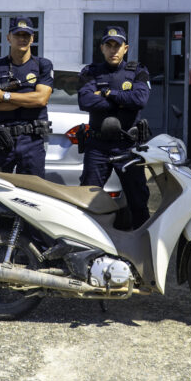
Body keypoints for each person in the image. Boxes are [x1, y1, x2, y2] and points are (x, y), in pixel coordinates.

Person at [78, 25, 151, 229]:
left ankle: (141, 247)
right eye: (108, 45)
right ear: (102, 48)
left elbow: (140, 99)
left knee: (138, 202)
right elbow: (85, 101)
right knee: (86, 201)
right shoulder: (91, 72)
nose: (113, 50)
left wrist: (108, 94)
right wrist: (122, 101)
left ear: (125, 48)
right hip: (97, 146)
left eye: (117, 46)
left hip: (127, 147)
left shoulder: (138, 71)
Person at [0, 16, 53, 177]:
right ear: (8, 38)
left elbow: (41, 99)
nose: (22, 39)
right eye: (18, 35)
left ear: (32, 38)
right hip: (2, 140)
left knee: (33, 194)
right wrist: (29, 99)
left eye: (26, 35)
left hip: (32, 141)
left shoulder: (43, 65)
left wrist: (5, 95)